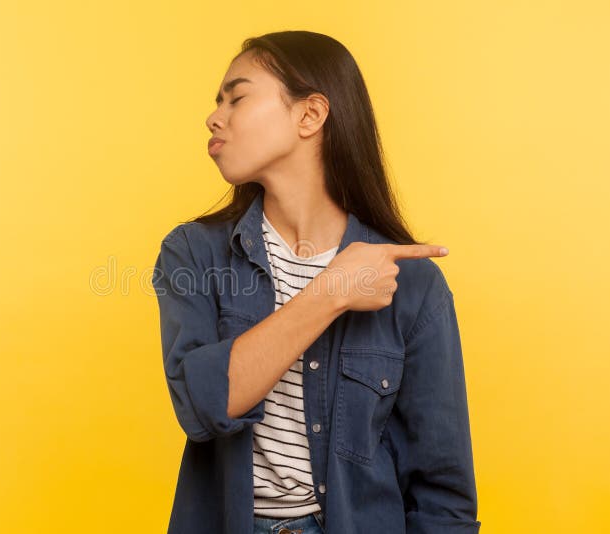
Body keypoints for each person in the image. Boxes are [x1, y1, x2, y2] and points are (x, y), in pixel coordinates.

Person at [152, 30, 481, 534]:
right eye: (217, 101)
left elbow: (443, 495)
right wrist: (332, 291)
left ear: (310, 115)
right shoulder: (192, 253)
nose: (214, 116)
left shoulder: (412, 286)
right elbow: (204, 406)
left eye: (236, 97)